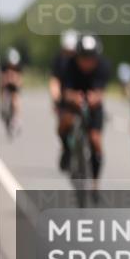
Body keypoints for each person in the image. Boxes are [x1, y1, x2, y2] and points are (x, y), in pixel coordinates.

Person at [60, 34, 111, 183]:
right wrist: (73, 97)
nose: (87, 62)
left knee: (95, 139)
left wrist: (95, 98)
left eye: (91, 58)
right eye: (83, 57)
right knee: (64, 123)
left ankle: (95, 182)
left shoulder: (103, 66)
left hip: (93, 105)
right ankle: (66, 150)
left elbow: (101, 92)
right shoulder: (68, 65)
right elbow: (65, 91)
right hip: (73, 103)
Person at [50, 29, 79, 168]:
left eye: (72, 51)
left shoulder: (83, 59)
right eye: (67, 51)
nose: (70, 54)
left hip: (81, 95)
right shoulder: (59, 61)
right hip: (65, 97)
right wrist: (55, 96)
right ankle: (66, 149)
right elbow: (54, 80)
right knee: (63, 125)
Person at [0, 47, 24, 133]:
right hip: (5, 85)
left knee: (16, 99)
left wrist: (14, 80)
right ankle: (2, 105)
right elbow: (1, 79)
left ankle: (17, 118)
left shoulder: (18, 67)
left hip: (14, 86)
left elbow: (20, 81)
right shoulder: (4, 66)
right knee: (3, 93)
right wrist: (7, 79)